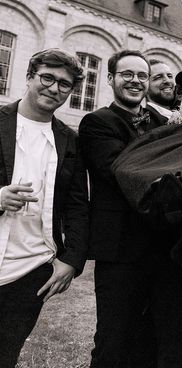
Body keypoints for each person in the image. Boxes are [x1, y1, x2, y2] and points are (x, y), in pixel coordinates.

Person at [79, 50, 182, 368]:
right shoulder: (97, 123)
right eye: (127, 74)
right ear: (111, 78)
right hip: (121, 251)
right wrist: (178, 177)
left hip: (170, 251)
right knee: (114, 342)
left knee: (172, 341)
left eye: (142, 75)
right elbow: (121, 170)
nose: (135, 81)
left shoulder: (170, 123)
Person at [0, 49, 89, 368]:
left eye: (64, 84)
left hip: (31, 266)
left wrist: (71, 261)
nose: (54, 88)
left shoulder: (69, 140)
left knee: (6, 353)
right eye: (47, 78)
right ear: (29, 77)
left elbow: (78, 206)